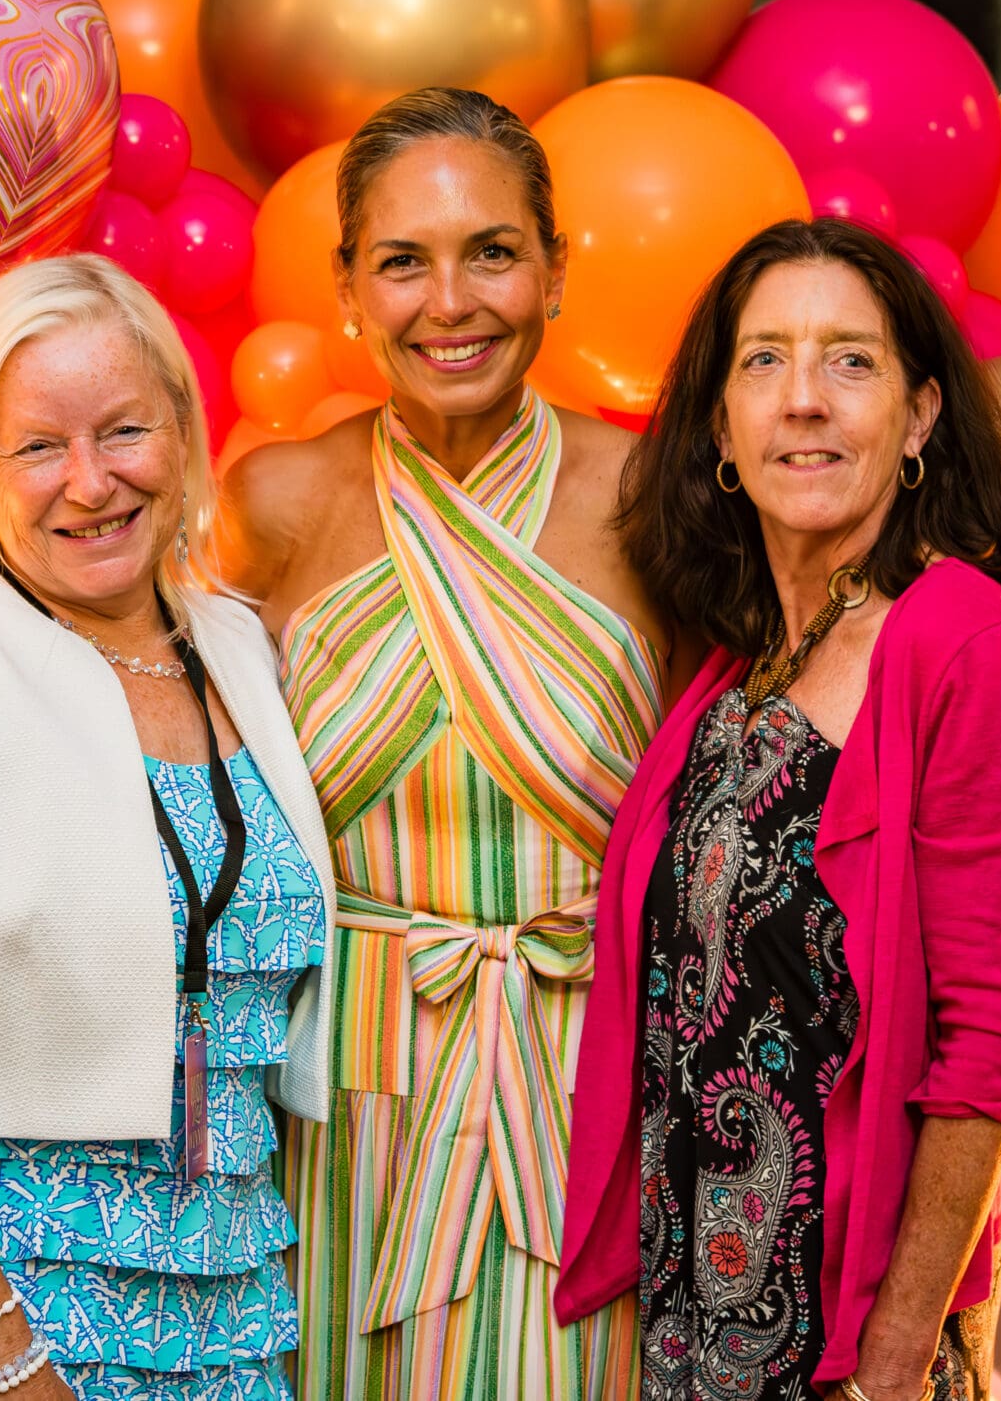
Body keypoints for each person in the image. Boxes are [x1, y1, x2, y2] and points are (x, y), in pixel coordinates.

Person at [0, 256, 338, 1401]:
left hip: (221, 1297)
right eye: (38, 445)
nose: (90, 481)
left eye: (123, 429)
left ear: (181, 428)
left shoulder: (239, 647)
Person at [555, 218, 1001, 1401]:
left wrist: (889, 1363)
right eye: (764, 359)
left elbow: (989, 1042)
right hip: (692, 1325)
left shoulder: (956, 637)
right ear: (721, 426)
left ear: (919, 416)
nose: (804, 399)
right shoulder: (738, 667)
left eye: (850, 360)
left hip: (846, 1344)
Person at [219, 88, 677, 1401]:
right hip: (342, 1094)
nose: (451, 301)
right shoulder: (276, 502)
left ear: (555, 272)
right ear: (347, 289)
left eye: (492, 252)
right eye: (403, 262)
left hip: (587, 1087)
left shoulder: (654, 500)